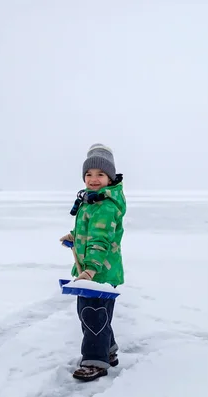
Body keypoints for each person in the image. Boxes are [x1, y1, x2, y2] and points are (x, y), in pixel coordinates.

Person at [59, 143, 126, 382]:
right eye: (89, 174)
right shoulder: (93, 201)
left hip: (98, 272)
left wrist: (90, 270)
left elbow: (100, 241)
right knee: (99, 313)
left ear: (110, 177)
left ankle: (94, 361)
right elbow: (89, 230)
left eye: (100, 174)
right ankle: (108, 351)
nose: (93, 179)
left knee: (91, 314)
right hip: (99, 272)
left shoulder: (106, 206)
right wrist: (74, 236)